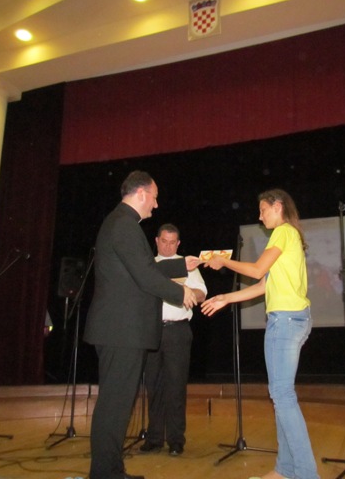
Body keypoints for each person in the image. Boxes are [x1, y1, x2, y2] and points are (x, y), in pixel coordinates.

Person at [83, 171, 200, 479]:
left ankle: (110, 469)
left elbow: (141, 268)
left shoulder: (120, 222)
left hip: (120, 330)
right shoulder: (125, 225)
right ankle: (105, 473)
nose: (156, 205)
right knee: (115, 405)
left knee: (117, 404)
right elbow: (145, 275)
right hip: (121, 330)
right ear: (141, 194)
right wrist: (181, 293)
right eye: (155, 197)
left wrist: (181, 264)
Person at [201, 189, 319, 479]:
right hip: (295, 319)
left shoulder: (283, 232)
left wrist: (223, 261)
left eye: (263, 209)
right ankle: (285, 470)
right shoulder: (289, 235)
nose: (260, 216)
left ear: (278, 207)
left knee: (282, 396)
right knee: (281, 396)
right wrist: (225, 298)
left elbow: (255, 270)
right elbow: (264, 284)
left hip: (286, 321)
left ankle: (306, 474)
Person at [139, 224, 207, 456]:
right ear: (156, 241)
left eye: (172, 242)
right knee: (153, 386)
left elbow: (202, 293)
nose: (168, 246)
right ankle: (154, 438)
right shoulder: (148, 265)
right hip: (151, 331)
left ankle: (176, 440)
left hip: (177, 331)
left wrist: (188, 292)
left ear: (178, 243)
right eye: (164, 241)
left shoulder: (186, 264)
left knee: (176, 386)